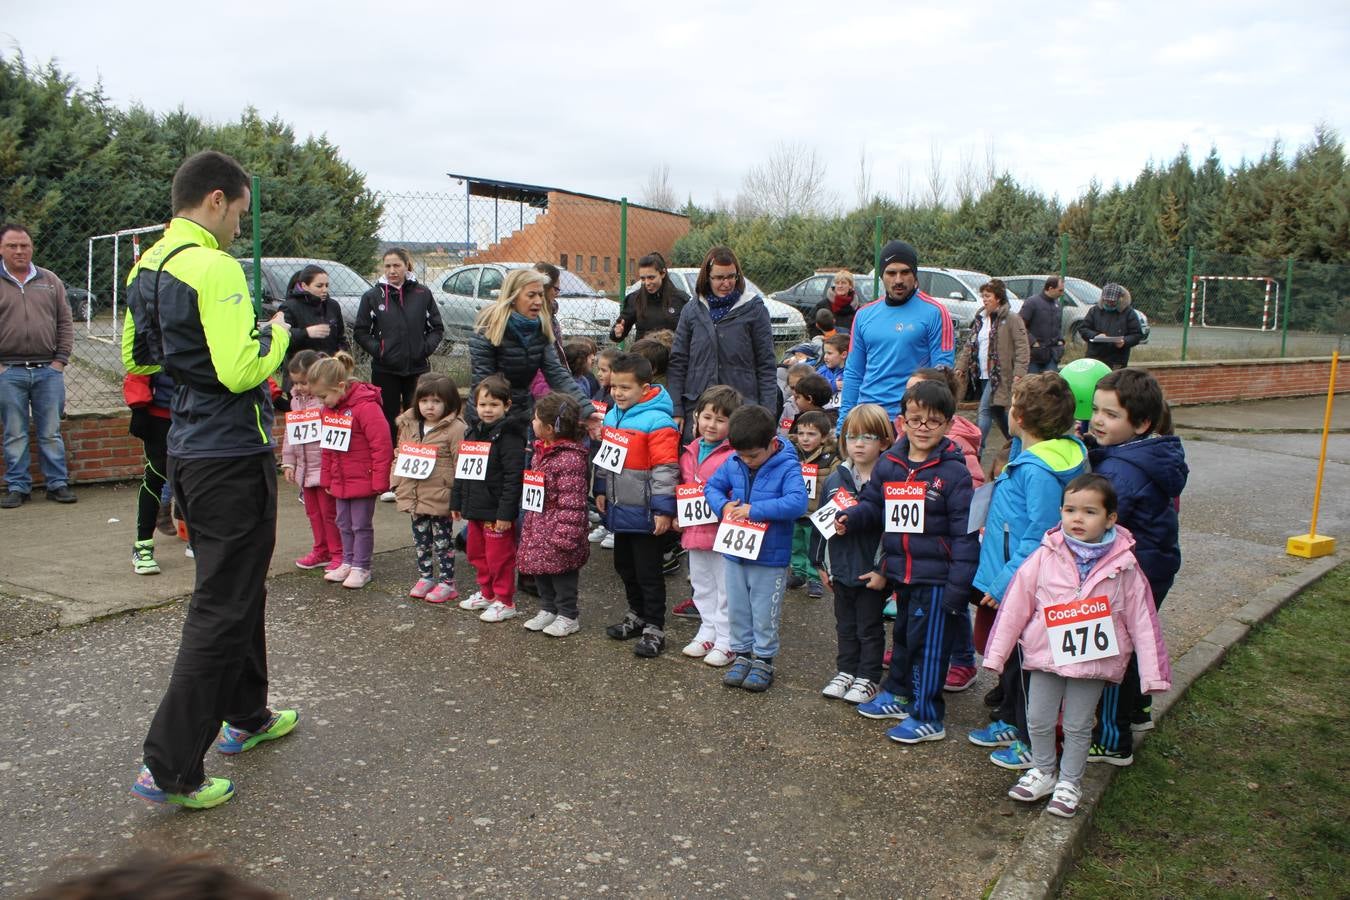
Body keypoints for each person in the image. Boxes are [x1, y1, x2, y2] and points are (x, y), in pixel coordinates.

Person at [125, 150, 295, 809]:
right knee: (220, 607)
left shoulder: (147, 262)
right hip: (230, 454)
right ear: (217, 199)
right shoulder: (214, 266)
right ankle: (168, 767)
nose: (239, 230)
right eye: (240, 214)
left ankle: (247, 714)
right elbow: (238, 368)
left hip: (188, 448)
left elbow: (139, 353)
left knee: (237, 586)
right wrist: (276, 337)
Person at [984, 474, 1171, 817]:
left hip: (1093, 660)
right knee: (1038, 718)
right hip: (1045, 654)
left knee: (1078, 724)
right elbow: (1015, 605)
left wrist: (1153, 674)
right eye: (1070, 510)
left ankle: (1070, 781)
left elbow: (1143, 620)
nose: (1078, 518)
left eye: (1089, 511)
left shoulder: (1125, 566)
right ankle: (1042, 770)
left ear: (1110, 518)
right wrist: (997, 654)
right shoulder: (1044, 555)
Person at [842, 380, 978, 743]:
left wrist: (958, 589)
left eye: (932, 421)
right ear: (902, 421)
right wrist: (852, 517)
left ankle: (928, 714)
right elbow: (874, 503)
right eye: (915, 419)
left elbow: (965, 536)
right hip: (902, 572)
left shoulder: (954, 473)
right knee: (902, 638)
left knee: (929, 649)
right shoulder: (891, 463)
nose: (922, 428)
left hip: (937, 579)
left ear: (949, 424)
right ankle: (899, 695)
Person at [966, 373, 1088, 770]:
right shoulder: (1045, 452)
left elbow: (1039, 534)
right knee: (1013, 658)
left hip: (1022, 582)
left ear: (1018, 415)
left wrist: (1003, 583)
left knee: (1025, 662)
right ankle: (1008, 719)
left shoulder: (1037, 471)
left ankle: (1025, 738)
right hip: (1015, 575)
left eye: (1013, 404)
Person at [1085, 368, 1188, 762]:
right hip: (1155, 566)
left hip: (1135, 574)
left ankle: (1112, 739)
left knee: (1116, 656)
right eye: (1096, 410)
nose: (1097, 420)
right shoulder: (1147, 453)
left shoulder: (1119, 474)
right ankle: (1138, 709)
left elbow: (1098, 529)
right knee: (1139, 639)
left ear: (1141, 423)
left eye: (1110, 415)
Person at [704, 404, 809, 692]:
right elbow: (711, 487)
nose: (747, 461)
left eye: (753, 455)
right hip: (735, 552)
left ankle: (763, 659)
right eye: (741, 455)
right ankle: (741, 655)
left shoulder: (787, 465)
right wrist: (723, 505)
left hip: (769, 556)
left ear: (772, 444)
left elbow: (798, 502)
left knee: (764, 611)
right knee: (737, 608)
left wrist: (754, 510)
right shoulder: (734, 461)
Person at [904, 367, 983, 693]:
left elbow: (972, 488)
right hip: (915, 545)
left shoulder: (956, 446)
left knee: (953, 606)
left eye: (917, 391)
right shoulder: (908, 438)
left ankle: (963, 660)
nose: (910, 398)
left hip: (942, 546)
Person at [597, 353, 680, 657]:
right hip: (620, 507)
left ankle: (655, 627)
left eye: (625, 388)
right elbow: (605, 459)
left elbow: (665, 469)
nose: (617, 393)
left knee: (648, 571)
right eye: (614, 387)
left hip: (646, 511)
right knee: (624, 565)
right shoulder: (611, 416)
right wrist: (600, 488)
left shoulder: (659, 421)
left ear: (645, 388)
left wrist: (663, 509)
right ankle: (637, 613)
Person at [813, 404, 893, 703]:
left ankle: (868, 677)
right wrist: (818, 562)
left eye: (868, 437)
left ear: (884, 442)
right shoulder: (835, 480)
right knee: (844, 625)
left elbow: (894, 532)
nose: (859, 444)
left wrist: (884, 569)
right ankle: (846, 670)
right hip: (841, 568)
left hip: (871, 571)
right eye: (852, 436)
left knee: (870, 628)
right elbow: (821, 523)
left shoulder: (889, 482)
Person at [836, 240, 955, 428]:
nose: (898, 280)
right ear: (882, 276)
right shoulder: (864, 315)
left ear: (914, 274)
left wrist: (927, 423)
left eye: (905, 272)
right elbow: (853, 373)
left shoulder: (935, 312)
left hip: (910, 422)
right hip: (869, 418)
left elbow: (943, 376)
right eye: (891, 273)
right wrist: (843, 423)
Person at [0, 223, 76, 507]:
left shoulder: (50, 280)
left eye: (24, 245)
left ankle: (57, 484)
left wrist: (60, 361)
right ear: (1, 249)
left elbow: (65, 323)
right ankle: (18, 487)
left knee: (51, 431)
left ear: (32, 247)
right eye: (12, 246)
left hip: (48, 371)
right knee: (15, 432)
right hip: (9, 372)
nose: (20, 251)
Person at [667, 245, 777, 440]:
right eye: (719, 278)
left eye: (731, 276)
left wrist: (767, 414)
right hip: (698, 408)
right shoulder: (691, 310)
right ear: (707, 278)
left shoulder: (754, 309)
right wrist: (676, 408)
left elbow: (766, 365)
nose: (726, 283)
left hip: (742, 410)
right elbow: (678, 362)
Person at [311, 352, 393, 590]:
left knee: (360, 524)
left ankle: (361, 566)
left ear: (339, 386)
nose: (321, 402)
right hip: (340, 479)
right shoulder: (329, 411)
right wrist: (326, 477)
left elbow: (382, 445)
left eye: (323, 396)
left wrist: (380, 480)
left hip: (363, 479)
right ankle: (347, 561)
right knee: (343, 523)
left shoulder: (365, 407)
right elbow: (327, 448)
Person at [467, 268, 591, 425]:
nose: (538, 301)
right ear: (512, 297)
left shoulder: (541, 328)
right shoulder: (488, 330)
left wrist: (587, 410)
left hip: (522, 412)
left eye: (540, 294)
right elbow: (483, 383)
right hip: (488, 414)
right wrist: (486, 425)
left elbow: (557, 373)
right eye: (531, 295)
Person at [353, 247, 444, 457]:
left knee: (421, 416)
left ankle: (420, 458)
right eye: (387, 266)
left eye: (396, 265)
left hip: (418, 368)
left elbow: (437, 328)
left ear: (406, 266)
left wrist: (424, 348)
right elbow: (361, 331)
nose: (392, 270)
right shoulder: (372, 296)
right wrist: (380, 350)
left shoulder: (423, 294)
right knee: (388, 419)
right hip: (385, 370)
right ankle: (389, 465)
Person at [451, 374, 528, 621]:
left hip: (496, 512)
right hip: (475, 508)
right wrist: (457, 502)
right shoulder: (472, 433)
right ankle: (487, 593)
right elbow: (462, 470)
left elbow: (513, 478)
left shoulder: (511, 437)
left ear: (507, 406)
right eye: (483, 404)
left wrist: (506, 514)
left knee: (500, 558)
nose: (487, 410)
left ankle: (505, 600)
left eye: (494, 405)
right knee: (476, 553)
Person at [675, 384, 742, 665]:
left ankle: (727, 639)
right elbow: (683, 486)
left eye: (720, 419)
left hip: (722, 533)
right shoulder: (689, 450)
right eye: (707, 417)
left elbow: (736, 493)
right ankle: (708, 629)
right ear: (697, 417)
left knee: (726, 586)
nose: (711, 425)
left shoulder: (733, 455)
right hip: (694, 531)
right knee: (702, 584)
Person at [517, 391, 591, 637]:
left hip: (558, 527)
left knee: (563, 575)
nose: (532, 423)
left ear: (549, 428)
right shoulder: (541, 451)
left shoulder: (570, 459)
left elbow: (573, 502)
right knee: (540, 570)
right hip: (538, 523)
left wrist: (566, 535)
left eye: (536, 419)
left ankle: (568, 615)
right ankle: (548, 609)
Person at [392, 372, 466, 604]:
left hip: (441, 495)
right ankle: (426, 577)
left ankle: (447, 582)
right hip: (414, 493)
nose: (429, 407)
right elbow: (399, 453)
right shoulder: (410, 424)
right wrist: (395, 482)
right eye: (424, 401)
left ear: (449, 402)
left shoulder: (455, 429)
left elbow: (460, 464)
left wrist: (458, 498)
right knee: (420, 540)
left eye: (436, 401)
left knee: (443, 542)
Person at [280, 350, 342, 574]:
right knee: (313, 513)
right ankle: (321, 549)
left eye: (304, 382)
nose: (298, 388)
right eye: (295, 383)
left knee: (329, 513)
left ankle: (337, 553)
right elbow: (290, 433)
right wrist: (289, 463)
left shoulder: (327, 401)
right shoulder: (296, 401)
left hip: (323, 467)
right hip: (305, 469)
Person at [956, 279, 1029, 453]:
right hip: (983, 374)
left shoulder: (1011, 319)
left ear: (998, 298)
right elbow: (970, 345)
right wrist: (961, 366)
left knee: (984, 409)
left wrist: (1019, 372)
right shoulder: (980, 319)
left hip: (1000, 375)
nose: (984, 299)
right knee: (997, 411)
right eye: (983, 296)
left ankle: (976, 449)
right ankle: (1016, 443)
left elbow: (1022, 347)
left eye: (988, 296)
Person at [124, 365, 174, 574]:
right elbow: (140, 364)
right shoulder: (156, 333)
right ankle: (143, 546)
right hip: (160, 415)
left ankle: (200, 542)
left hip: (200, 414)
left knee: (199, 477)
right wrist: (138, 407)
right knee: (156, 476)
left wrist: (272, 394)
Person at [788, 409, 838, 598]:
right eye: (801, 433)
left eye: (811, 434)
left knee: (813, 545)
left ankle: (814, 578)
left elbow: (836, 484)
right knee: (795, 543)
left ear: (824, 437)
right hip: (796, 510)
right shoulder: (791, 454)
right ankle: (798, 573)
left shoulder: (831, 458)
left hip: (816, 512)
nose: (805, 439)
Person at [612, 251, 689, 342]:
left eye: (651, 277)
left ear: (663, 273)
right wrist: (617, 333)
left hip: (672, 354)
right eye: (643, 279)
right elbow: (618, 332)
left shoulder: (680, 299)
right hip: (642, 354)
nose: (647, 283)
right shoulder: (635, 299)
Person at [282, 264, 346, 360]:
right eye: (319, 286)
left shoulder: (333, 306)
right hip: (302, 368)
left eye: (327, 285)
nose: (325, 290)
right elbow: (282, 337)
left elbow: (340, 338)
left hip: (329, 367)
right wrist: (306, 332)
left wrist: (340, 355)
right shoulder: (289, 307)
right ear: (304, 286)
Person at [1077, 283, 1142, 370]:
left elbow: (1137, 334)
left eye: (1112, 302)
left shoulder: (1128, 313)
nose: (1109, 304)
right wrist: (1095, 335)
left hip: (1117, 358)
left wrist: (1124, 341)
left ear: (1120, 299)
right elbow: (1083, 329)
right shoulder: (1094, 310)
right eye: (1106, 301)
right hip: (1095, 356)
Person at [1019, 276, 1066, 373]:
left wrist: (1061, 341)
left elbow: (1058, 326)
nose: (1062, 294)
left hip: (1052, 355)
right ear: (1050, 289)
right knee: (1033, 385)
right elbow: (1020, 325)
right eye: (1060, 290)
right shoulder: (1032, 302)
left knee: (1052, 385)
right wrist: (1033, 342)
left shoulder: (1057, 305)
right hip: (1034, 357)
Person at [814, 270, 863, 335]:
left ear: (850, 286)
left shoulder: (857, 307)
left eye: (843, 283)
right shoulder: (822, 305)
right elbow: (812, 324)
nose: (840, 286)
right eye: (837, 283)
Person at [817, 334, 848, 399]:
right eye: (825, 353)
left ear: (843, 354)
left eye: (829, 353)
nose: (825, 357)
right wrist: (833, 385)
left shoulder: (853, 373)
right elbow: (811, 386)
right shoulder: (822, 371)